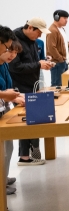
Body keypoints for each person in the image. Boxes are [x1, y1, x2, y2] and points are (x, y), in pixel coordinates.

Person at [10, 18, 54, 166]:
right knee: (28, 121)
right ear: (30, 28)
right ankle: (24, 157)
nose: (40, 36)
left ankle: (28, 155)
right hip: (20, 86)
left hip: (32, 84)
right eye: (39, 32)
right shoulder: (15, 41)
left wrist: (43, 63)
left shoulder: (32, 41)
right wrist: (37, 64)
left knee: (33, 120)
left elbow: (33, 61)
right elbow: (15, 67)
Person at [0, 26, 23, 195]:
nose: (9, 52)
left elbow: (7, 88)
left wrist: (14, 96)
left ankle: (3, 178)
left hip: (3, 108)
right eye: (7, 48)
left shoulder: (3, 65)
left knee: (8, 148)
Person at [46, 10, 69, 86]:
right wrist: (60, 59)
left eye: (67, 18)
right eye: (65, 18)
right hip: (58, 63)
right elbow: (51, 47)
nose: (67, 20)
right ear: (57, 18)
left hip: (63, 62)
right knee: (57, 86)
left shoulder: (61, 29)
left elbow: (62, 42)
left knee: (65, 85)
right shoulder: (52, 30)